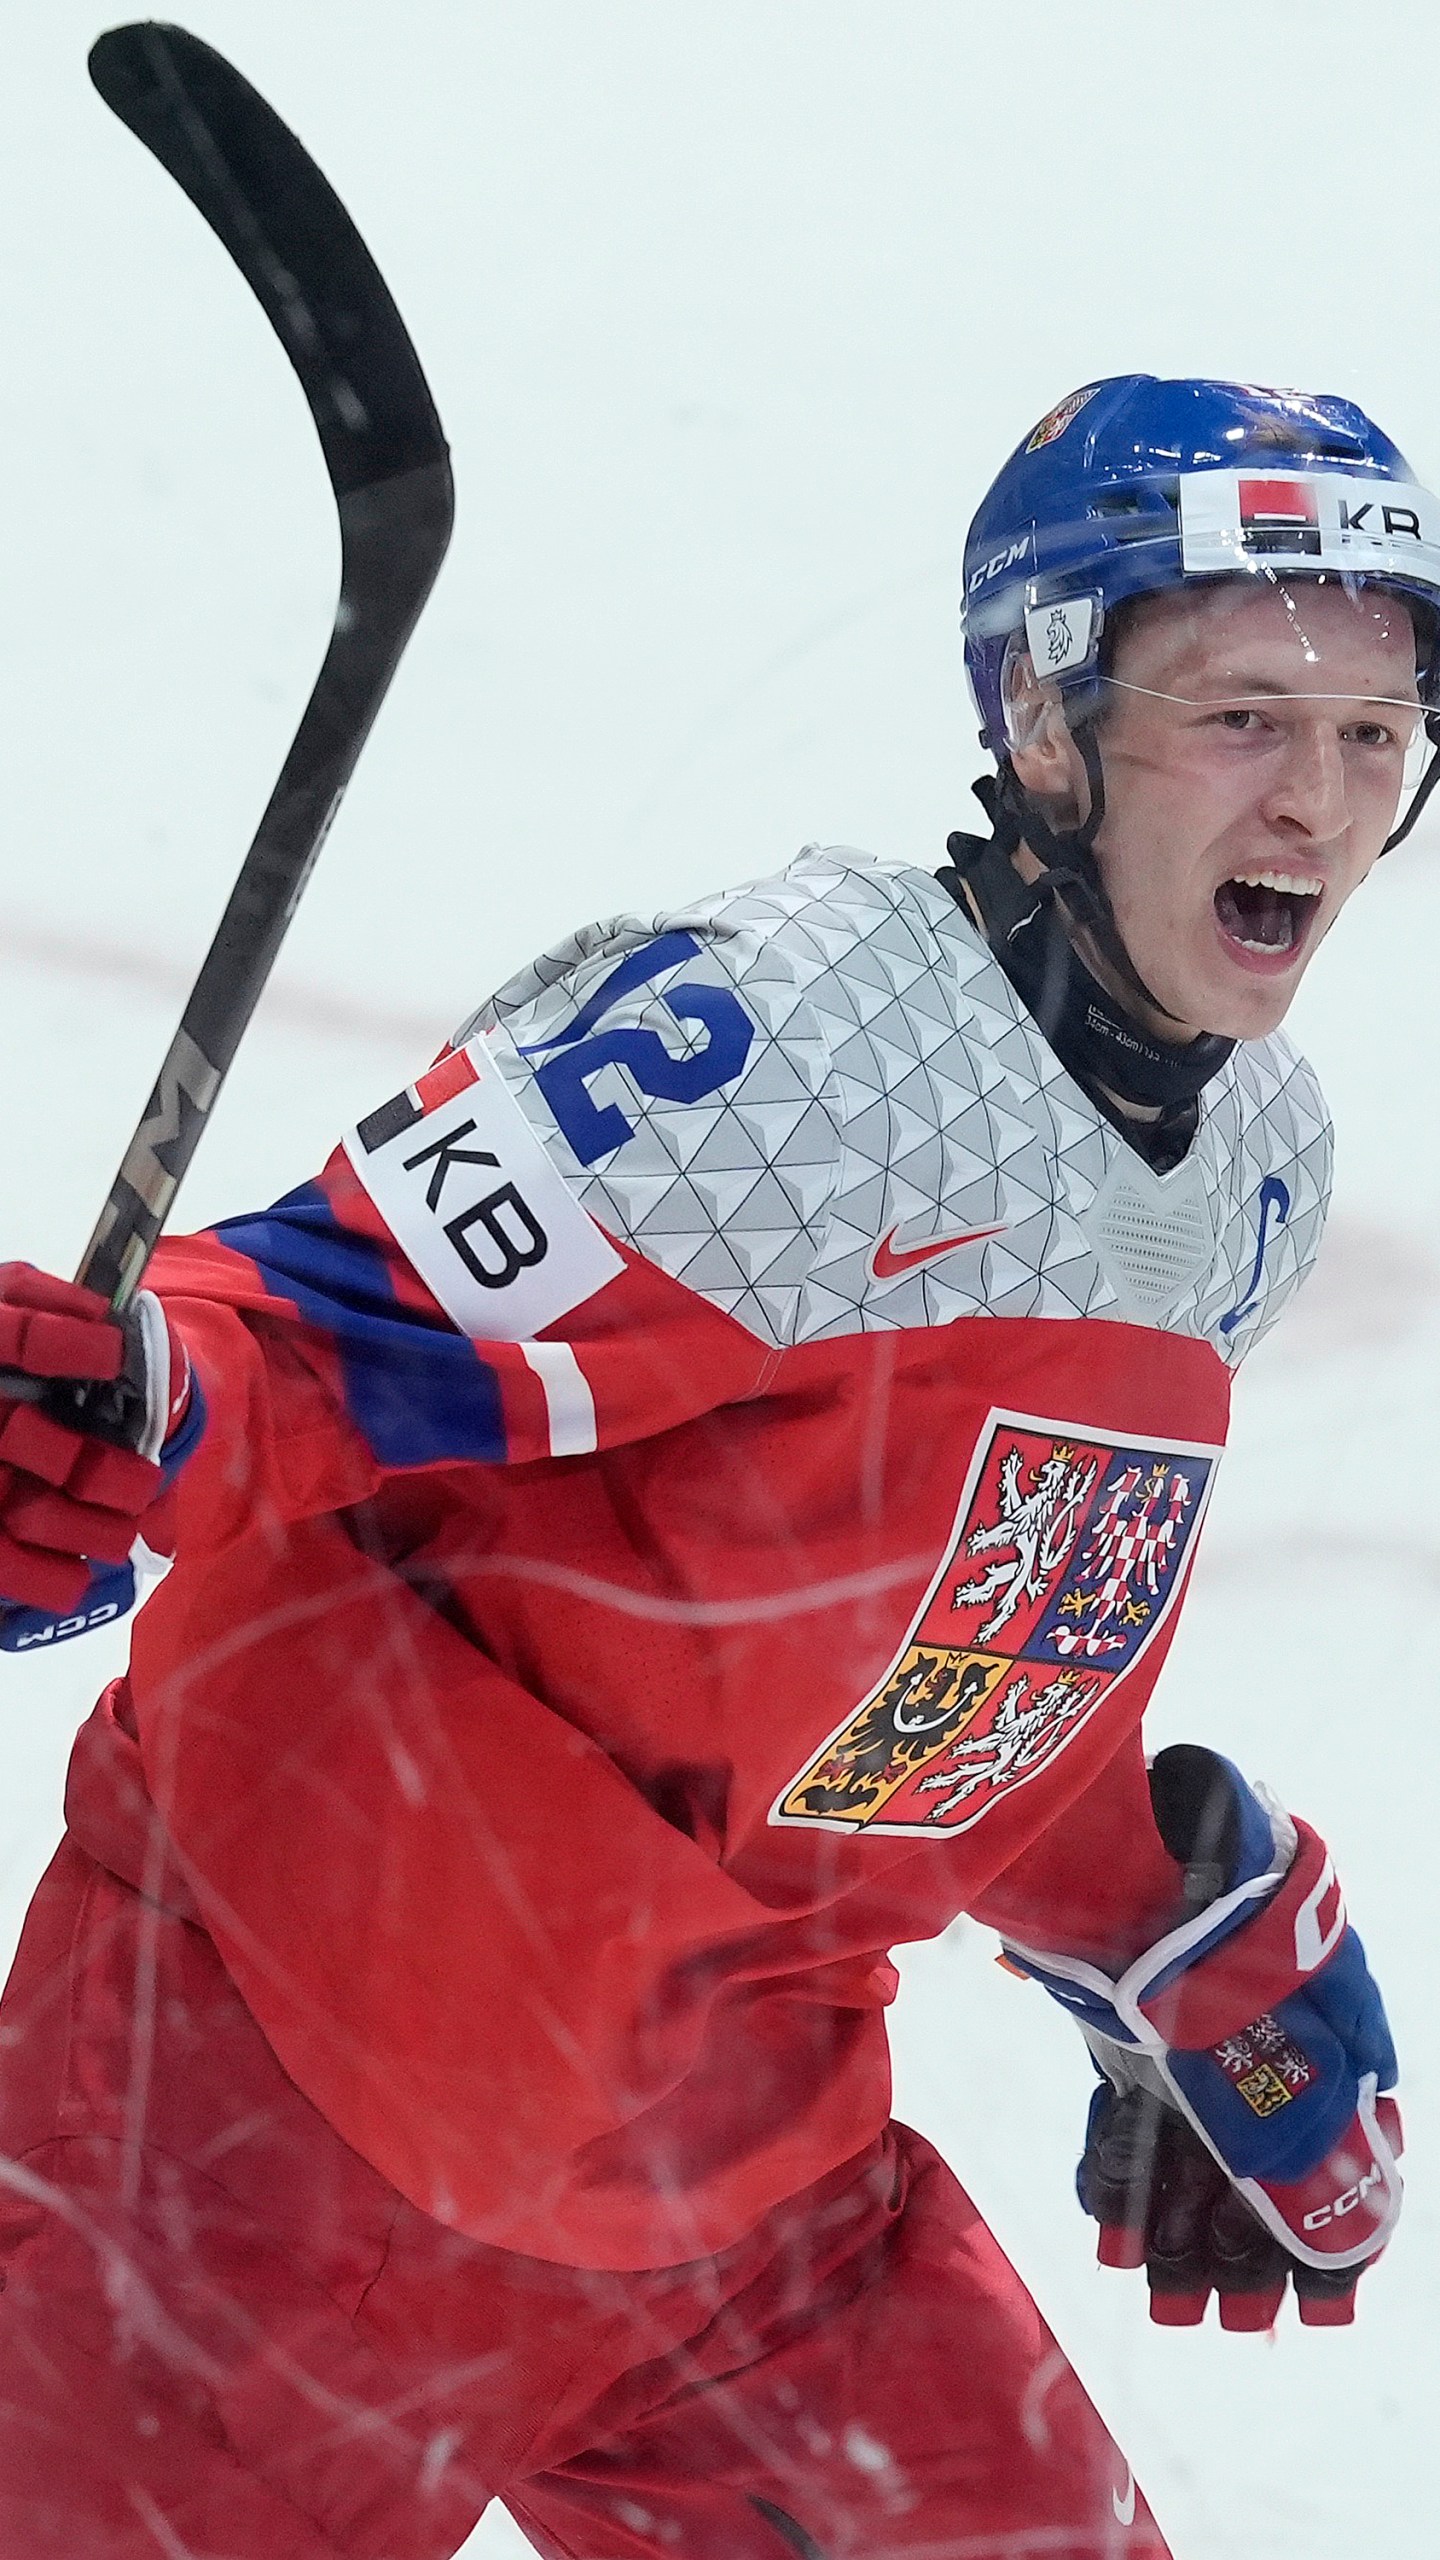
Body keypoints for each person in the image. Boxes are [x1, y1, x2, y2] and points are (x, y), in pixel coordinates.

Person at [0, 374, 1421, 2558]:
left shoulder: (1247, 1168)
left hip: (737, 2195)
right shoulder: (800, 1037)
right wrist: (127, 1412)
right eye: (1242, 715)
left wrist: (1163, 1921)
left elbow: (925, 1661)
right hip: (271, 2120)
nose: (1316, 802)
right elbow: (313, 1325)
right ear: (1049, 724)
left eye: (1369, 730)